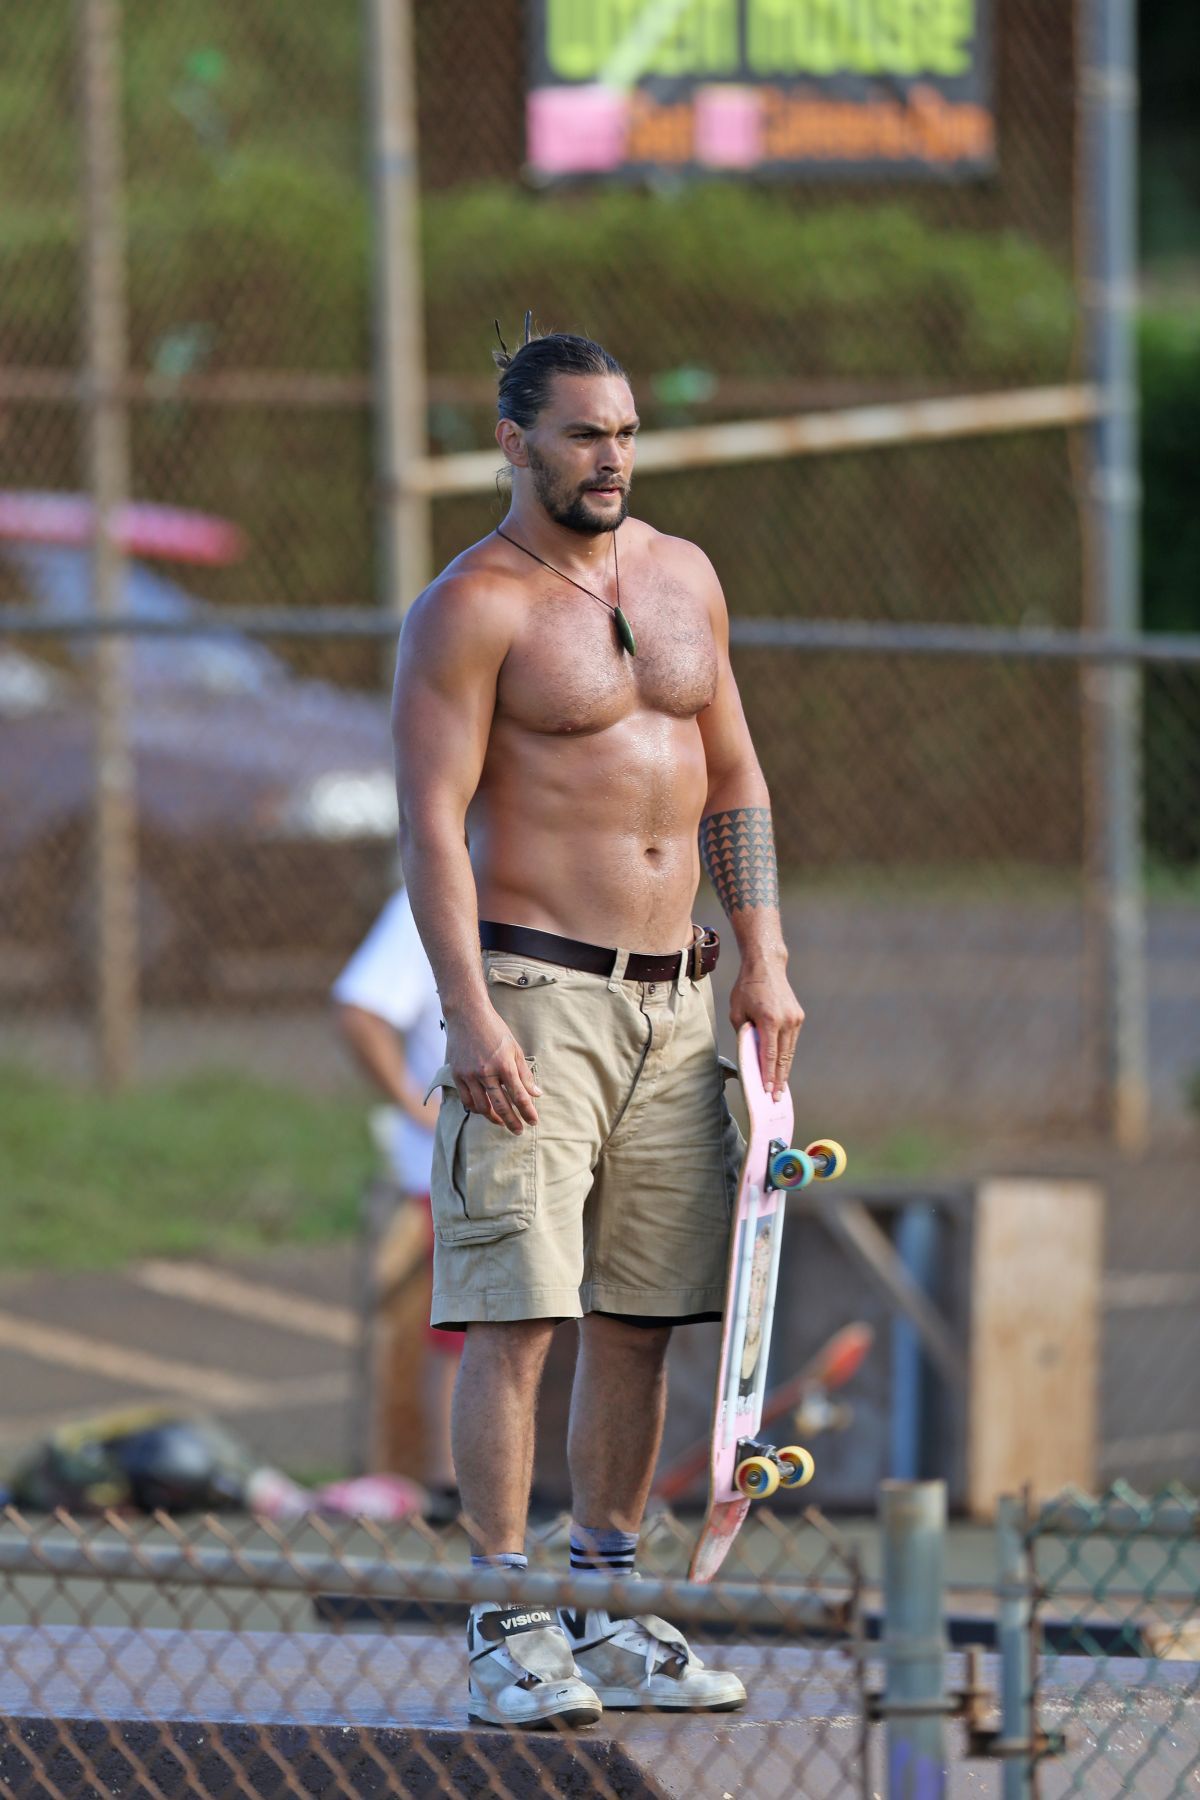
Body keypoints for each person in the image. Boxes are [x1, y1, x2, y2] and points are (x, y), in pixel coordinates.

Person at [391, 325, 805, 1730]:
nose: (611, 456)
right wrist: (466, 1015)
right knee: (518, 1315)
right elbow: (431, 832)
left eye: (625, 431)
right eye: (583, 434)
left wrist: (766, 961)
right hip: (534, 994)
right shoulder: (472, 607)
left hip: (679, 1000)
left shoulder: (685, 576)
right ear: (515, 443)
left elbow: (735, 776)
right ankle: (505, 1621)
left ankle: (611, 1608)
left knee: (642, 1320)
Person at [331, 887, 461, 1517]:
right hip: (465, 1163)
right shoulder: (431, 899)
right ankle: (452, 1490)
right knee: (476, 1324)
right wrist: (418, 1110)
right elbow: (360, 1010)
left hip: (566, 1147)